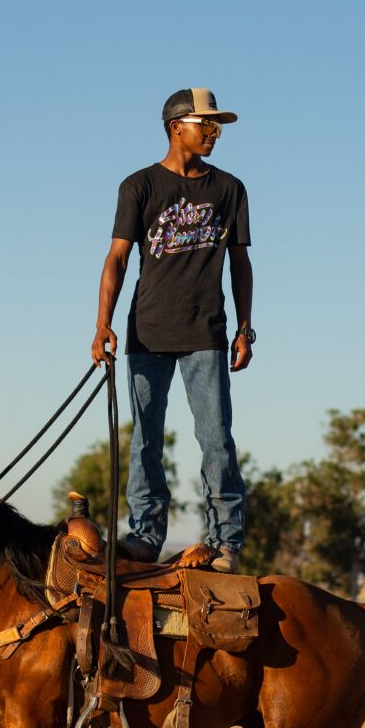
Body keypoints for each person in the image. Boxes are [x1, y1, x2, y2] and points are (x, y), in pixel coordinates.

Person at [91, 88, 254, 572]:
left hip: (206, 333)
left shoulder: (230, 189)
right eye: (205, 125)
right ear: (175, 126)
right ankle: (144, 535)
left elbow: (240, 263)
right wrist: (102, 324)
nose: (212, 134)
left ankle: (225, 542)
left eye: (216, 127)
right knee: (144, 440)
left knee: (216, 438)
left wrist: (245, 328)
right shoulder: (138, 186)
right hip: (146, 333)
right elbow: (117, 258)